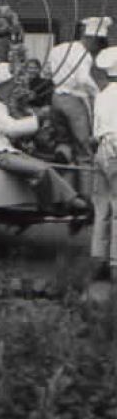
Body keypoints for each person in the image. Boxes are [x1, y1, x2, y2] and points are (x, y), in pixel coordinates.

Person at [0, 62, 88, 214]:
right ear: (1, 86)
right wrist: (38, 119)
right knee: (41, 169)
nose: (12, 89)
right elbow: (11, 129)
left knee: (43, 166)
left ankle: (70, 199)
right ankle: (51, 205)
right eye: (10, 85)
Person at [45, 17, 112, 193]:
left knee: (63, 144)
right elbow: (83, 79)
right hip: (74, 101)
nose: (96, 50)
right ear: (93, 40)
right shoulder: (84, 54)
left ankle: (64, 194)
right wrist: (97, 93)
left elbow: (48, 72)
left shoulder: (58, 49)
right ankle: (86, 198)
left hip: (56, 97)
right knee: (84, 152)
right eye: (98, 45)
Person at [90, 47, 117, 280]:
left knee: (102, 207)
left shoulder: (101, 94)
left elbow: (96, 129)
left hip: (101, 148)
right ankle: (116, 263)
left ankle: (98, 259)